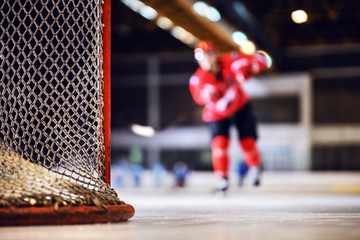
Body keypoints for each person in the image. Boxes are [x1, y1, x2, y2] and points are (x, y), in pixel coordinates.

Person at [188, 40, 269, 194]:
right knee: (219, 145)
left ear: (215, 54)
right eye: (201, 57)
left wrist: (247, 69)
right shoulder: (198, 78)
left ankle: (255, 168)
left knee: (248, 143)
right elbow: (200, 98)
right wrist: (210, 96)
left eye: (207, 55)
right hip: (217, 114)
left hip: (240, 107)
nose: (204, 60)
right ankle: (222, 178)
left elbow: (260, 59)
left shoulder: (230, 60)